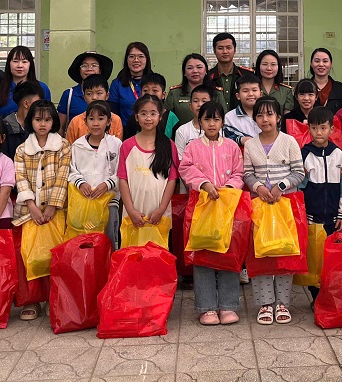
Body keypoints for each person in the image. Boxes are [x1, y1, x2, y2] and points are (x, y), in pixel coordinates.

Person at [179, 100, 244, 326]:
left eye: (216, 119)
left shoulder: (232, 147)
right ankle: (206, 307)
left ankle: (228, 305)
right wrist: (204, 184)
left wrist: (229, 189)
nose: (212, 123)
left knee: (228, 252)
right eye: (207, 119)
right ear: (200, 122)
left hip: (227, 207)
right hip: (202, 207)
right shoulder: (193, 147)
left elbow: (239, 172)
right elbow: (186, 169)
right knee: (203, 254)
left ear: (223, 121)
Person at [242, 97, 306, 325]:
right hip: (259, 207)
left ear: (279, 117)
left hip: (285, 206)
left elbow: (299, 172)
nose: (265, 119)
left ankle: (282, 304)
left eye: (270, 114)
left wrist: (281, 186)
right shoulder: (250, 145)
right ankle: (265, 304)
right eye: (260, 115)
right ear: (255, 118)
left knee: (284, 252)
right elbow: (247, 173)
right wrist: (258, 187)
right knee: (261, 252)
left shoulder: (289, 141)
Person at [13, 99, 72, 321]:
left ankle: (52, 298)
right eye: (38, 119)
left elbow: (63, 177)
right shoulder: (21, 150)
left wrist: (53, 206)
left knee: (53, 255)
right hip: (30, 213)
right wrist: (31, 206)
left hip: (56, 212)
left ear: (54, 121)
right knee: (30, 255)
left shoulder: (64, 146)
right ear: (31, 122)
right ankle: (32, 300)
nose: (43, 124)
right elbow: (21, 179)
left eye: (47, 119)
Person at [298, 105, 342, 303]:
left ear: (332, 130)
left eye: (323, 128)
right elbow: (300, 187)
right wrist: (303, 214)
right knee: (314, 258)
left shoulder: (338, 154)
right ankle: (316, 297)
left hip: (334, 219)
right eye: (314, 128)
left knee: (331, 258)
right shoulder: (305, 154)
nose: (318, 132)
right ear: (308, 129)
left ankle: (330, 294)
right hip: (312, 216)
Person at [118, 95, 180, 246]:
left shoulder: (168, 145)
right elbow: (122, 179)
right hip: (133, 215)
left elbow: (172, 180)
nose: (148, 118)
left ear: (160, 116)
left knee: (157, 258)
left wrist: (161, 210)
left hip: (159, 215)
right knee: (132, 258)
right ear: (136, 117)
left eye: (153, 113)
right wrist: (131, 211)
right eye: (143, 113)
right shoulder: (127, 145)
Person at [69, 100, 122, 249]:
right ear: (85, 121)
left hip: (109, 201)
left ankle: (108, 270)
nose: (96, 123)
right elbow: (72, 170)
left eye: (101, 118)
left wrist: (107, 184)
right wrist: (81, 183)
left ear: (109, 121)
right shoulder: (78, 145)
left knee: (108, 239)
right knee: (85, 241)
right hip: (84, 202)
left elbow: (122, 172)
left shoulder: (116, 144)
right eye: (91, 119)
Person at [0, 45, 50, 117]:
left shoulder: (42, 88)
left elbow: (48, 117)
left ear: (30, 65)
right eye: (15, 61)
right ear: (9, 64)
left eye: (24, 61)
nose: (20, 65)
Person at [58, 51, 114, 132]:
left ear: (100, 70)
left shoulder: (107, 94)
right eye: (84, 65)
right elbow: (61, 127)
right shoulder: (69, 94)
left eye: (94, 65)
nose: (89, 69)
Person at [165, 53, 222, 128]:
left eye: (199, 67)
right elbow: (167, 120)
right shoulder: (175, 93)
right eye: (190, 68)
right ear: (184, 72)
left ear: (206, 71)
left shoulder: (216, 93)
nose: (195, 71)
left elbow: (223, 117)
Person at [67, 75, 125, 142]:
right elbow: (69, 149)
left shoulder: (115, 120)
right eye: (89, 94)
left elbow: (117, 147)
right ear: (84, 97)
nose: (94, 97)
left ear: (107, 96)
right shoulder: (76, 121)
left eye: (99, 93)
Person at [123, 73, 179, 139]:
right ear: (141, 93)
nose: (150, 94)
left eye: (155, 90)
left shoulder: (172, 118)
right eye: (145, 91)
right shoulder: (134, 117)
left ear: (163, 95)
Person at [109, 42, 152, 127]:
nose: (136, 60)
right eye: (131, 56)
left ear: (147, 59)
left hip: (151, 130)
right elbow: (113, 115)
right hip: (125, 132)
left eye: (141, 56)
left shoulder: (154, 82)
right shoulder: (117, 84)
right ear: (126, 60)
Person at [207, 33, 251, 111]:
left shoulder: (246, 75)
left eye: (228, 48)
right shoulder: (207, 76)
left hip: (240, 121)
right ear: (214, 51)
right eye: (220, 48)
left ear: (234, 50)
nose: (225, 51)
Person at [2, 81, 43, 157]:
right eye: (38, 102)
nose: (40, 106)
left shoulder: (42, 127)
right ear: (26, 104)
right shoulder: (4, 126)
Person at [174, 85, 214, 160]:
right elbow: (180, 160)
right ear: (190, 106)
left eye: (204, 101)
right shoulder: (182, 131)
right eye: (195, 101)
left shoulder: (218, 129)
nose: (200, 105)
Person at [223, 72, 261, 146]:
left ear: (261, 94)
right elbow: (225, 139)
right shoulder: (229, 117)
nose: (250, 94)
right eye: (245, 91)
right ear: (238, 96)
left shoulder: (268, 115)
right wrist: (240, 139)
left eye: (254, 90)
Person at [308, 48, 342, 113]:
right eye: (317, 61)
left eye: (325, 61)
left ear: (331, 64)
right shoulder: (303, 88)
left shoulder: (340, 89)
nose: (321, 64)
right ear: (311, 63)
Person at [255, 49, 294, 114]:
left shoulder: (286, 91)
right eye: (265, 64)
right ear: (258, 66)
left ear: (278, 67)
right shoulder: (252, 89)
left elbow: (287, 116)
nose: (269, 68)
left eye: (273, 64)